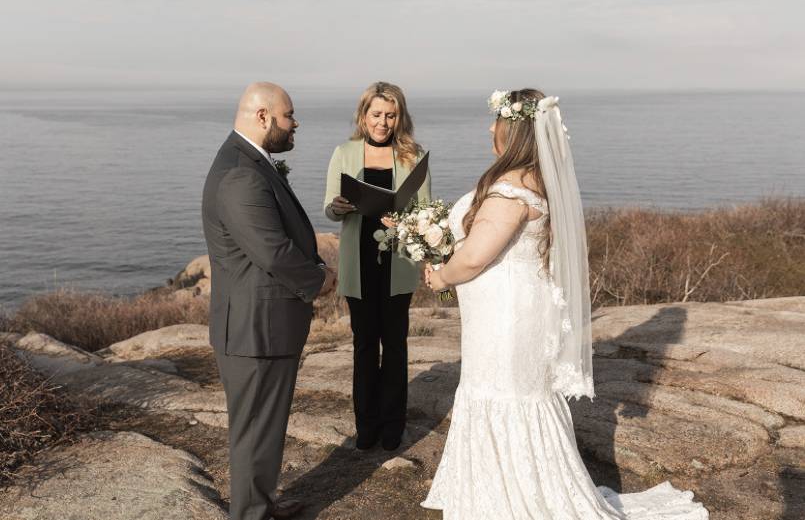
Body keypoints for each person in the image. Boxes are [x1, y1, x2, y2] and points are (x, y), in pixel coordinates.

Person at [421, 89, 708, 519]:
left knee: (503, 392)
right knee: (518, 393)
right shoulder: (535, 179)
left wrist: (441, 274)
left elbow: (477, 256)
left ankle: (511, 500)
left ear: (512, 130)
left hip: (507, 317)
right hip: (517, 309)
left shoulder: (510, 190)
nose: (488, 128)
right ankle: (507, 487)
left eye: (496, 120)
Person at [201, 82, 335, 520]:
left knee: (264, 429)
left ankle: (260, 504)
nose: (295, 124)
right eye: (289, 115)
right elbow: (272, 251)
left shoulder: (248, 162)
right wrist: (320, 279)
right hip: (255, 327)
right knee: (255, 430)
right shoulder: (240, 173)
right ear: (263, 116)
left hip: (262, 322)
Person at [323, 81, 431, 451]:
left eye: (390, 115)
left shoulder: (413, 155)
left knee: (396, 346)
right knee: (364, 346)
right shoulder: (344, 152)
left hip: (397, 264)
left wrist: (405, 222)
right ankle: (365, 428)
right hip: (360, 267)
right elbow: (328, 205)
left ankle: (392, 427)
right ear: (363, 115)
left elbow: (426, 214)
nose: (382, 122)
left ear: (400, 117)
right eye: (376, 115)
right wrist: (336, 208)